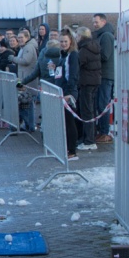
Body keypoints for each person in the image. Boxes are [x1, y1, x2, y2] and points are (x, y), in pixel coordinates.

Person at [54, 30, 80, 160]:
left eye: (65, 41)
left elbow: (73, 75)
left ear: (71, 42)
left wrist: (69, 93)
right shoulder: (63, 55)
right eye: (61, 41)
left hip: (69, 92)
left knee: (70, 121)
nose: (63, 44)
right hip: (62, 90)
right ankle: (67, 148)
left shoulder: (73, 55)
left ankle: (72, 150)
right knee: (65, 121)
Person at [76, 26, 101, 150]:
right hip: (95, 81)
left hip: (86, 82)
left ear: (80, 36)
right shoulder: (94, 46)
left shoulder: (83, 50)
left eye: (77, 35)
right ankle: (90, 137)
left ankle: (89, 141)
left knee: (87, 111)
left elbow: (78, 65)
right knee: (91, 111)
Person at [92, 13, 115, 143]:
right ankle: (102, 131)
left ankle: (105, 133)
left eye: (96, 22)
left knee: (103, 104)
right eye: (94, 22)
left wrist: (91, 55)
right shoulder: (101, 35)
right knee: (100, 104)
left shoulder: (106, 36)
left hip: (105, 76)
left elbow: (105, 55)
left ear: (104, 22)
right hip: (101, 75)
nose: (94, 24)